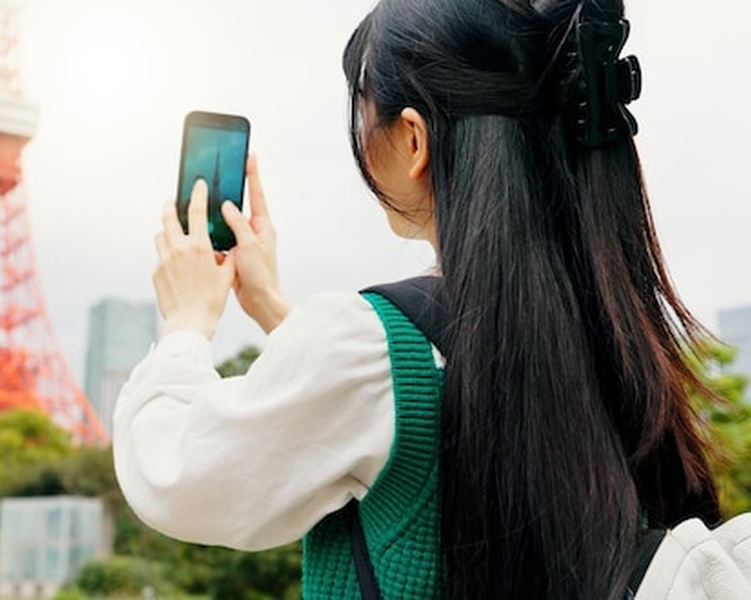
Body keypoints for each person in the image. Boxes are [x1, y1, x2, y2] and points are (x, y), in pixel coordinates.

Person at [113, 1, 741, 598]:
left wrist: (187, 323)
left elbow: (175, 476)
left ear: (414, 139)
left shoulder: (365, 349)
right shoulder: (614, 326)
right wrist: (274, 306)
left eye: (365, 110)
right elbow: (422, 383)